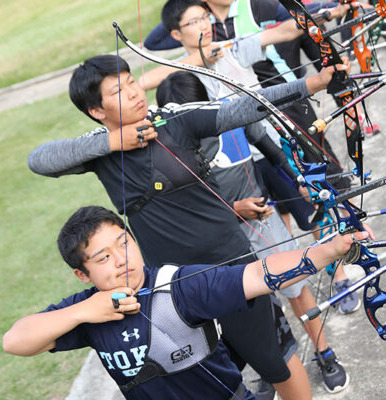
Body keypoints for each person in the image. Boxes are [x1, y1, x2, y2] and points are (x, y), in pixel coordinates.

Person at [27, 54, 347, 399]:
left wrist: (312, 83)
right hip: (170, 288)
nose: (134, 92)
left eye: (132, 81)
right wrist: (114, 143)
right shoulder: (98, 150)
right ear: (97, 111)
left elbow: (239, 109)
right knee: (202, 372)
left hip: (229, 267)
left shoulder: (174, 120)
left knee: (274, 360)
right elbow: (39, 160)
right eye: (118, 90)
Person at [2, 205, 374, 399]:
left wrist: (329, 250)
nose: (122, 260)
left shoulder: (178, 285)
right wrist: (86, 311)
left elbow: (258, 274)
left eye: (124, 243)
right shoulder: (86, 308)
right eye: (103, 258)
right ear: (83, 275)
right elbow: (15, 341)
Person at [143, 0, 364, 317]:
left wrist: (328, 13)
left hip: (268, 149)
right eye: (194, 22)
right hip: (230, 166)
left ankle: (339, 277)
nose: (205, 25)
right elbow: (143, 82)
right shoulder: (180, 73)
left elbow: (286, 29)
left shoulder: (231, 48)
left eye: (205, 18)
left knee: (311, 211)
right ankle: (288, 293)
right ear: (177, 34)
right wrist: (196, 59)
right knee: (270, 224)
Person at [157, 70, 361, 394]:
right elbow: (184, 208)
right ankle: (272, 367)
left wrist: (299, 181)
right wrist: (233, 209)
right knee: (252, 308)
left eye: (192, 112)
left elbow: (273, 151)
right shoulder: (169, 154)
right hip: (222, 242)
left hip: (262, 223)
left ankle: (324, 352)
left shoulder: (227, 119)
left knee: (296, 287)